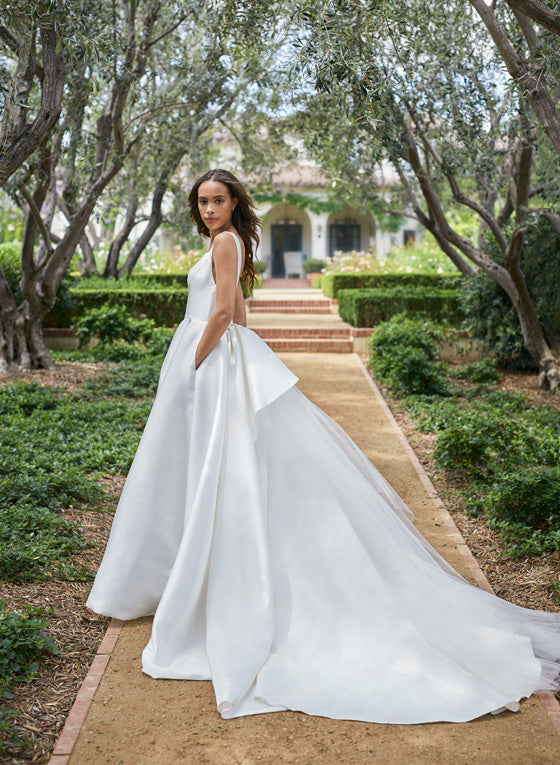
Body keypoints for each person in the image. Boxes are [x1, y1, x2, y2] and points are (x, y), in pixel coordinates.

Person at [87, 168, 560, 724]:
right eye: (202, 201)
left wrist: (195, 365)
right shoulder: (231, 243)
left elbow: (220, 313)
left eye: (217, 200)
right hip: (221, 357)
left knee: (213, 466)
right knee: (219, 465)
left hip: (207, 360)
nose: (209, 209)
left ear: (234, 201)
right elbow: (239, 311)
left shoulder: (223, 242)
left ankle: (201, 577)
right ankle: (202, 569)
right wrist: (231, 352)